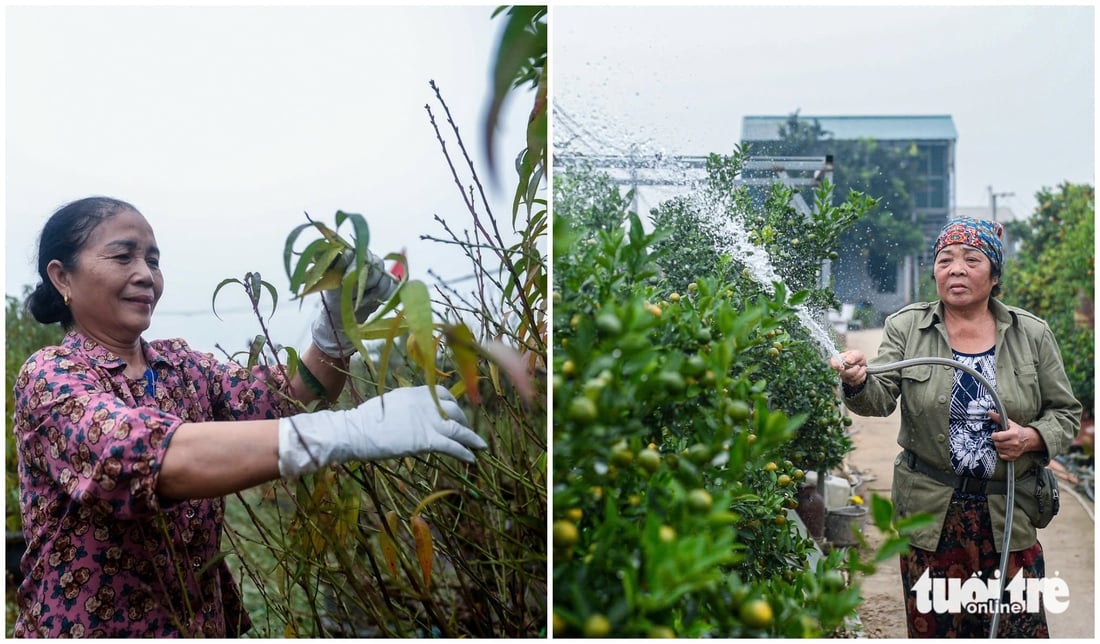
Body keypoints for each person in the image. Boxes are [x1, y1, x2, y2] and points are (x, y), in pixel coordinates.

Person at [11, 197, 488, 637]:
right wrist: (346, 429)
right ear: (62, 277)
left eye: (153, 260)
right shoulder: (51, 375)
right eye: (123, 257)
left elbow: (290, 399)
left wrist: (337, 328)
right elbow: (142, 456)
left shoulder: (181, 366)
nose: (146, 275)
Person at [831, 217, 1080, 638]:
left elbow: (1065, 414)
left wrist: (1031, 437)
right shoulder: (907, 327)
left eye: (972, 259)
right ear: (934, 271)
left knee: (1014, 629)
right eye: (945, 259)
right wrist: (856, 382)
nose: (956, 269)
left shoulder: (1032, 334)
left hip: (1007, 517)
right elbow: (879, 396)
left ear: (995, 274)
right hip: (932, 516)